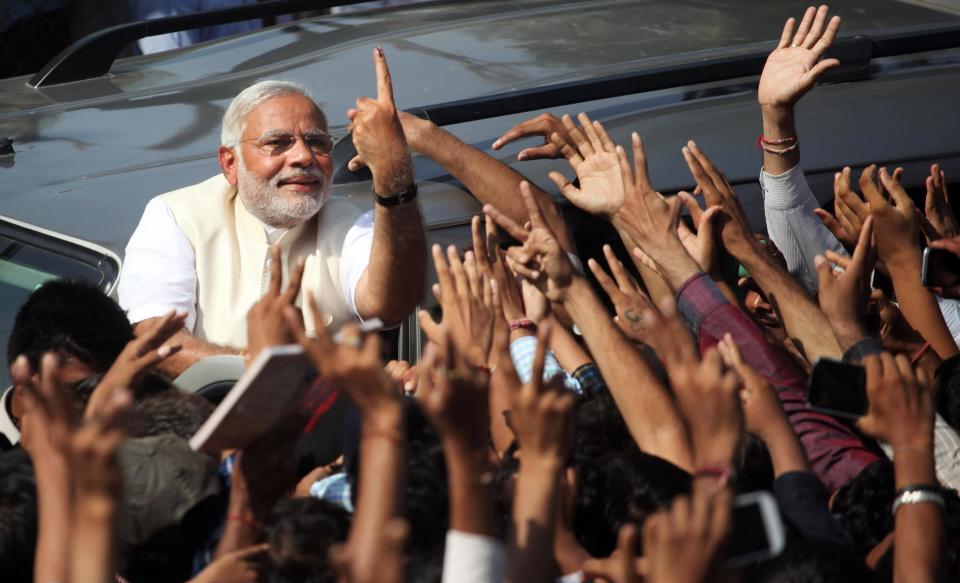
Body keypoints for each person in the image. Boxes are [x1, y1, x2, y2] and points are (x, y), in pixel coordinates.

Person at [118, 49, 427, 376]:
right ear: (230, 163)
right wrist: (261, 370)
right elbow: (156, 340)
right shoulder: (177, 216)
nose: (303, 157)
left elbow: (390, 305)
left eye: (316, 142)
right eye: (278, 142)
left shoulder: (350, 223)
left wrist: (393, 176)